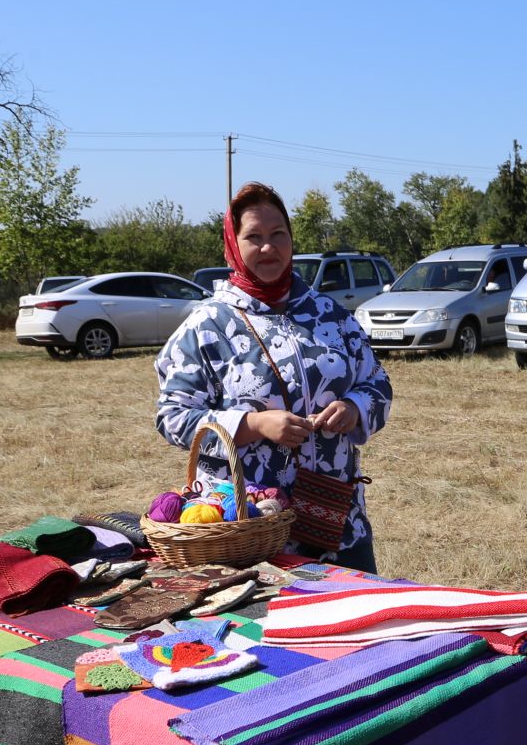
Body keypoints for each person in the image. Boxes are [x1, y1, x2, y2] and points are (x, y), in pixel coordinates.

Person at [155, 182, 392, 573]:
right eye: (254, 237)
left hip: (335, 521)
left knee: (355, 626)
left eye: (278, 234)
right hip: (247, 529)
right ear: (232, 246)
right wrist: (253, 424)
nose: (269, 247)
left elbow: (377, 384)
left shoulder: (330, 314)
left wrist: (355, 407)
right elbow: (174, 418)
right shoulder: (207, 325)